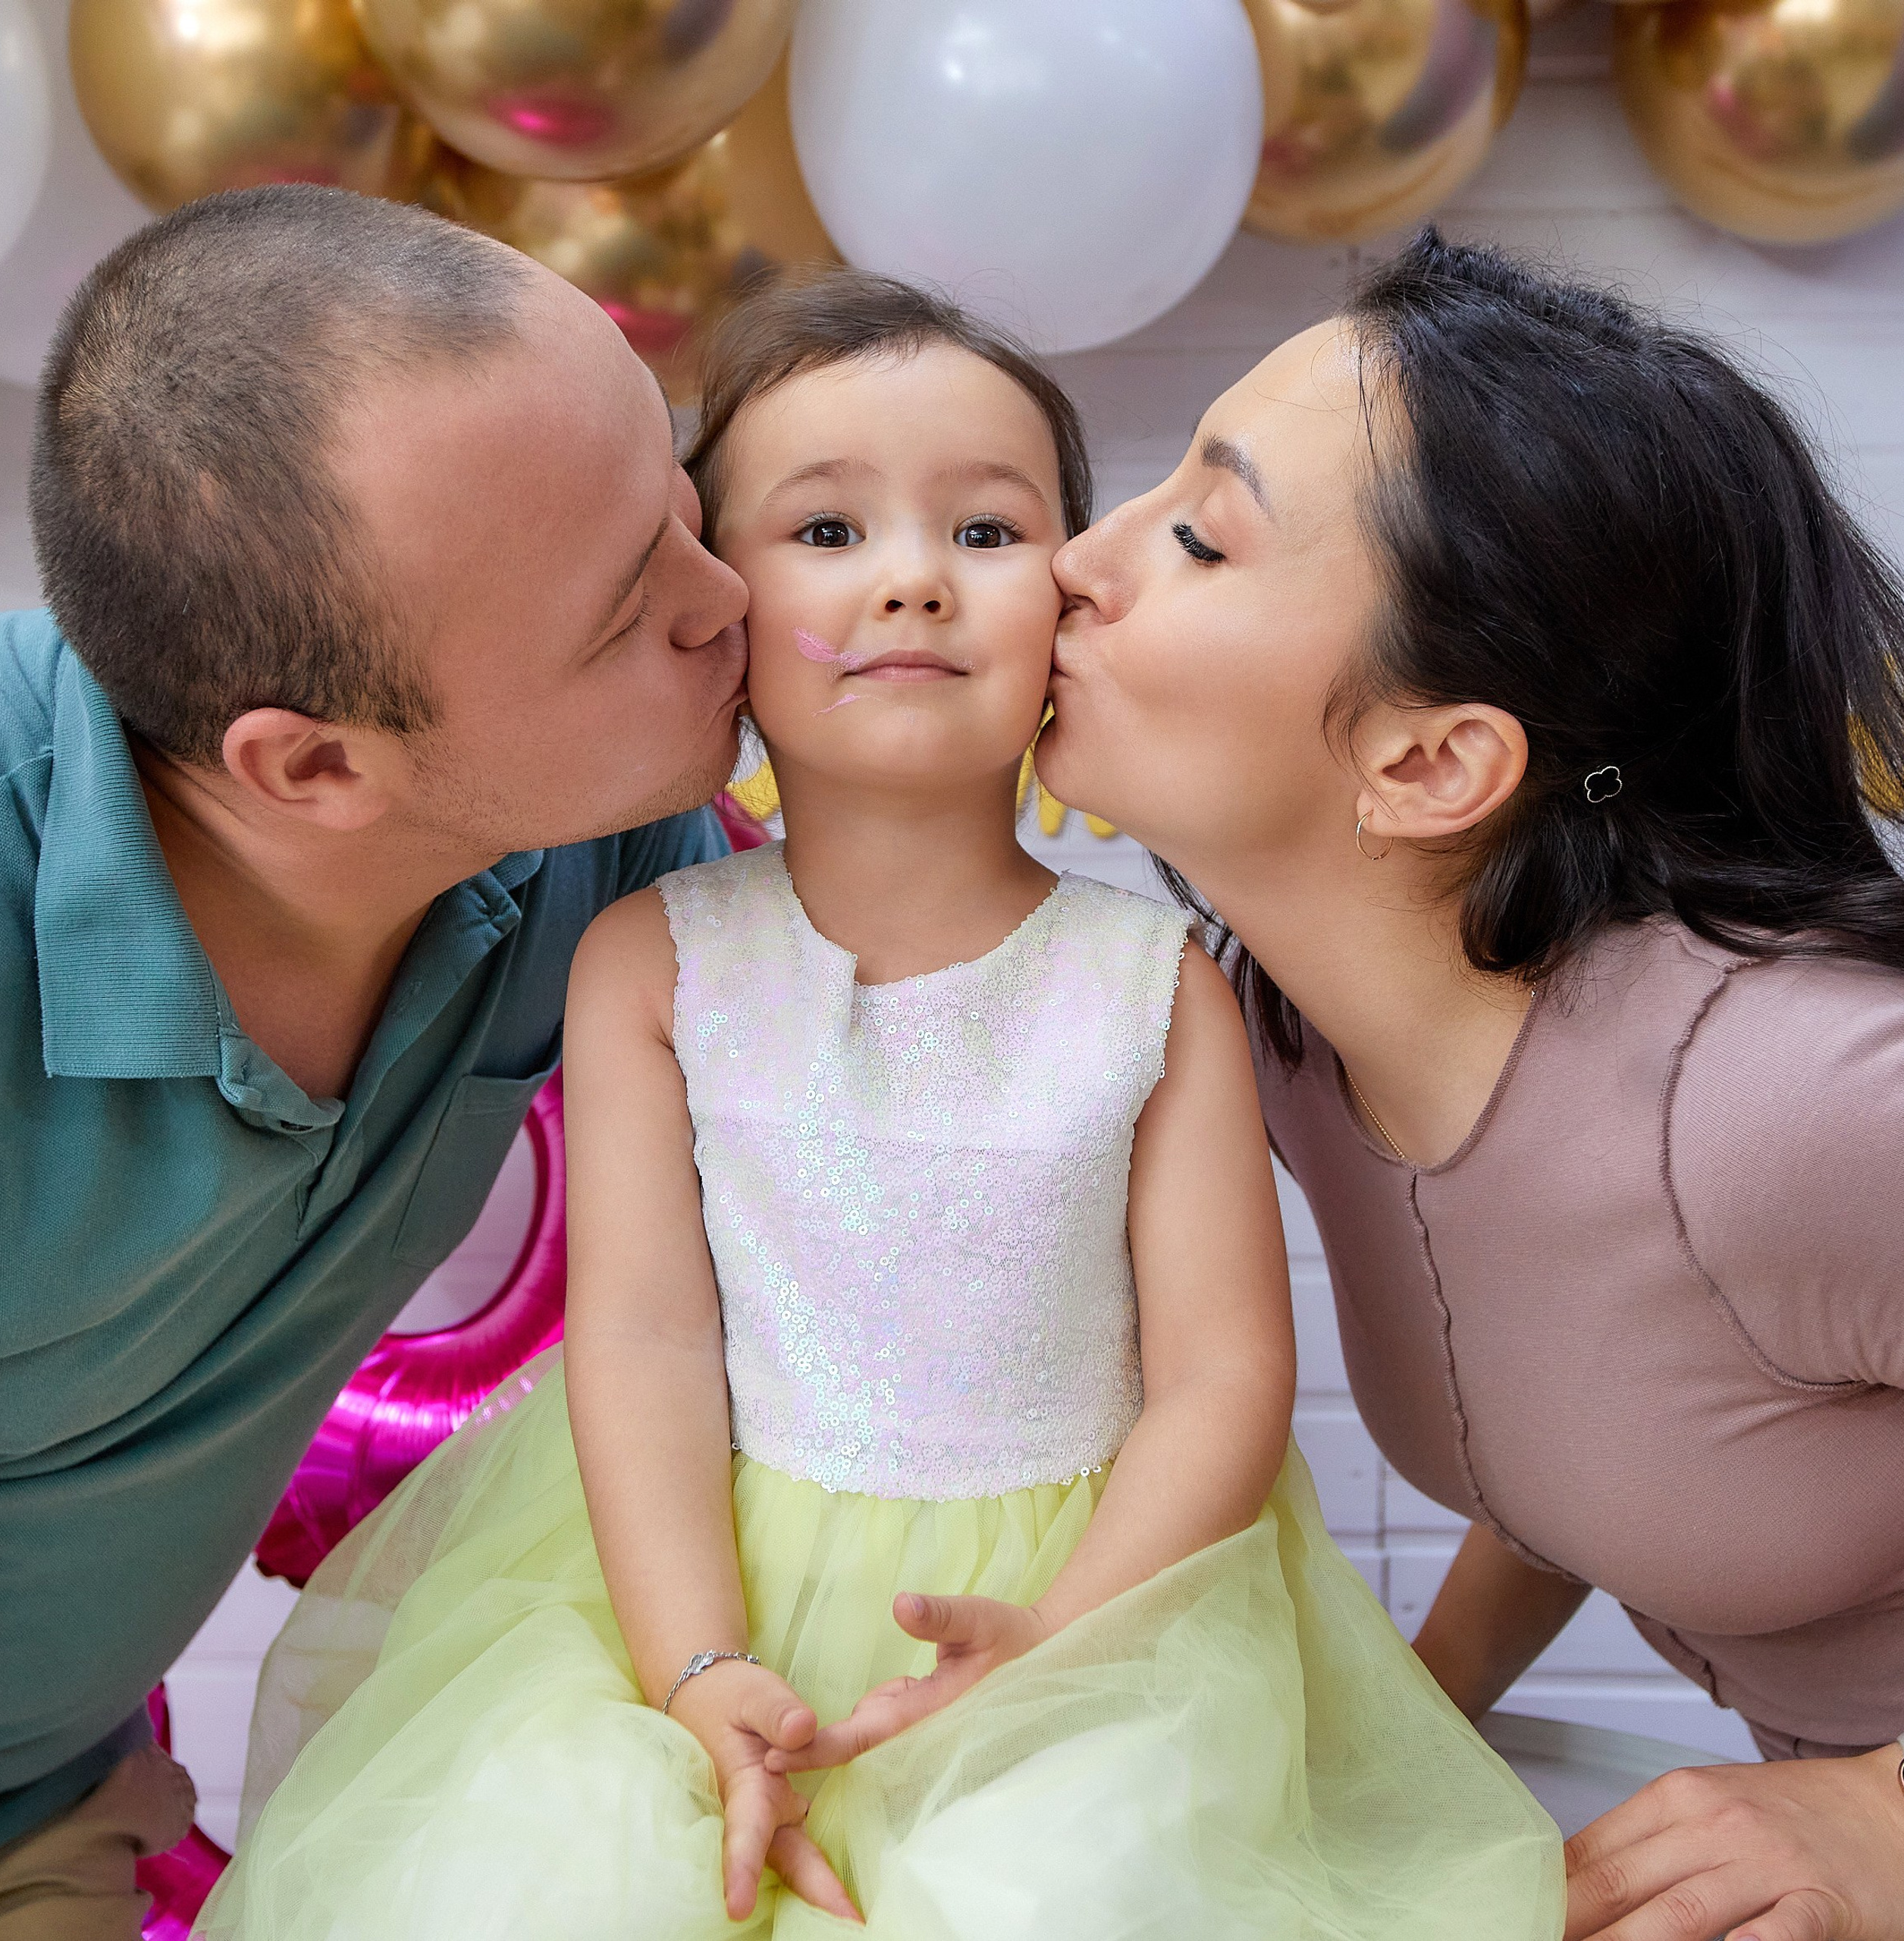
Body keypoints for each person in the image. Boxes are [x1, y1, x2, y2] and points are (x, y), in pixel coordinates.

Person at [198, 271, 1560, 1939]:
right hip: (705, 1567)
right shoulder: (653, 960)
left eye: (985, 533)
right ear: (715, 602)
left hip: (1084, 1592)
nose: (911, 580)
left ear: (1068, 595)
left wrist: (1064, 1637)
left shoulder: (1151, 983)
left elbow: (1221, 1373)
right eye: (826, 531)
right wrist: (693, 1661)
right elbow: (637, 1338)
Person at [1039, 225, 1904, 1941]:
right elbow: (1611, 1404)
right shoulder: (1288, 1045)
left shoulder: (1795, 1101)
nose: (1076, 558)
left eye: (1201, 534)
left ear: (1431, 760)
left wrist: (1883, 1812)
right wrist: (1403, 1726)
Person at [0, 183, 749, 1939]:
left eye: (685, 506)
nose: (728, 599)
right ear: (314, 770)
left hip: (41, 1801)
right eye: (629, 612)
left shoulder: (600, 831)